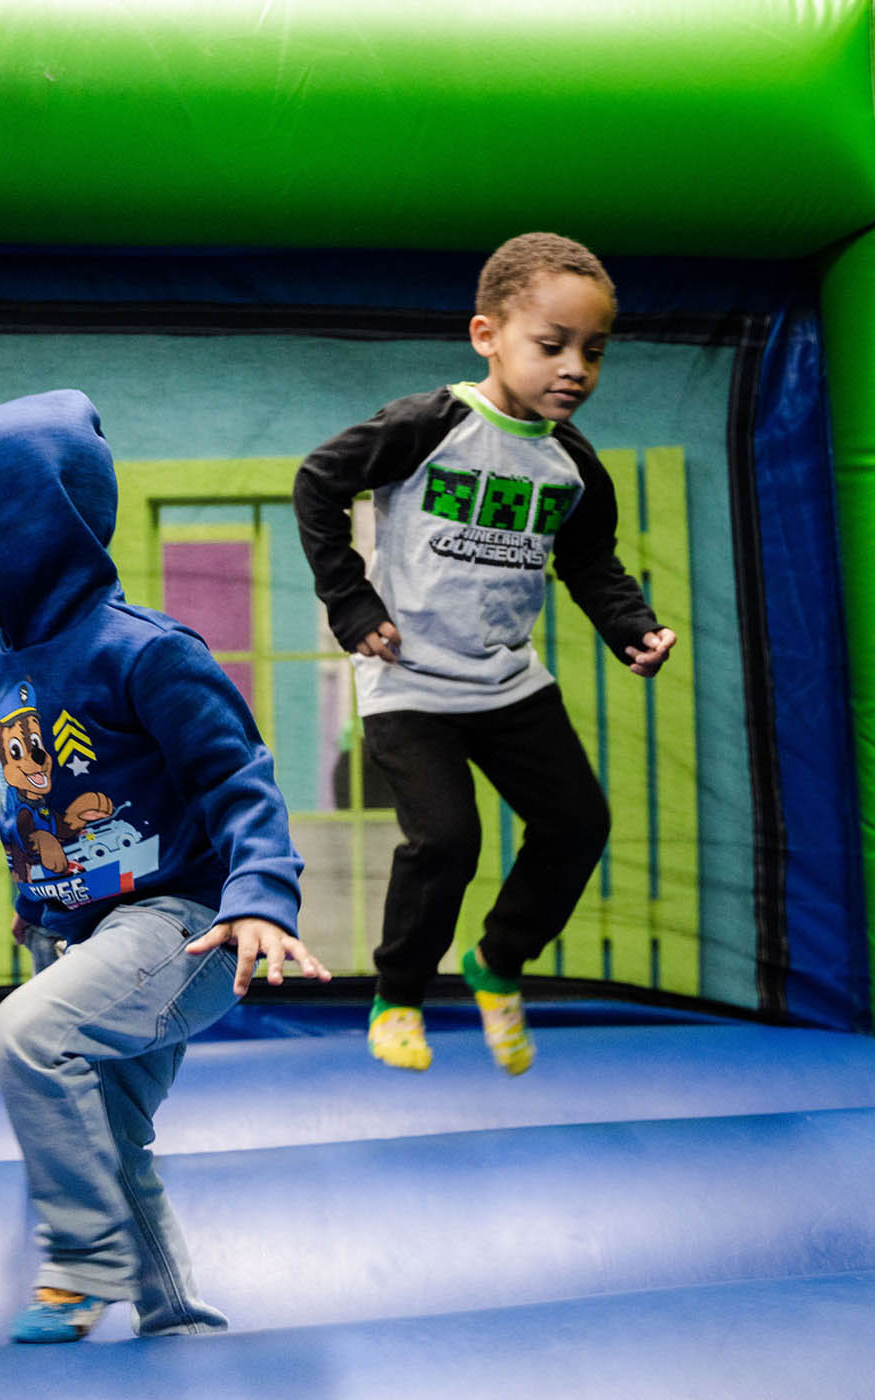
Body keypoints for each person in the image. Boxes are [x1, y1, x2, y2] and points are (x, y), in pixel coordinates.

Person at [0, 388, 329, 1345]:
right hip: (87, 933)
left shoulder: (143, 653)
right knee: (111, 1137)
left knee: (24, 1038)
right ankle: (176, 1324)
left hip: (187, 924)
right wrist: (39, 903)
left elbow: (239, 776)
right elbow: (34, 804)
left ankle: (82, 1262)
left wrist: (263, 895)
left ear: (27, 523)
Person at [293, 232, 674, 1075]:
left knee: (578, 824)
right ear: (487, 335)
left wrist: (631, 629)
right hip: (409, 680)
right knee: (448, 841)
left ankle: (497, 964)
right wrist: (352, 603)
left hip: (507, 680)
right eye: (552, 345)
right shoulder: (431, 425)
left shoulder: (572, 463)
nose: (574, 367)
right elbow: (318, 481)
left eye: (594, 352)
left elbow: (588, 559)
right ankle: (398, 995)